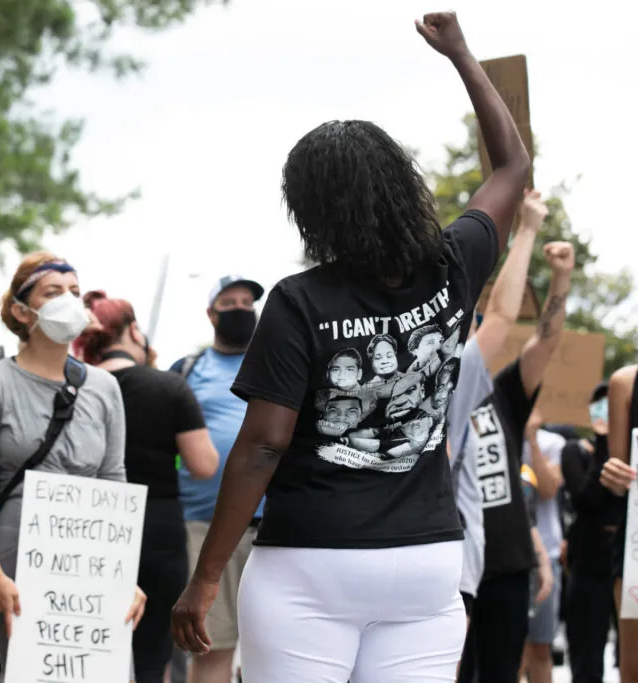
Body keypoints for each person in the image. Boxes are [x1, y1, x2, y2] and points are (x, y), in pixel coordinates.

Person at [172, 11, 532, 682]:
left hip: (311, 561)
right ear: (402, 185)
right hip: (427, 564)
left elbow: (262, 445)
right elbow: (513, 164)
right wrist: (461, 55)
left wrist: (207, 575)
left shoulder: (300, 300)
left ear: (311, 211)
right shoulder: (457, 265)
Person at [0, 252, 146, 675]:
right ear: (22, 311)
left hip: (93, 558)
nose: (69, 300)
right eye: (53, 292)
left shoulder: (104, 388)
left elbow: (113, 480)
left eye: (75, 292)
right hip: (16, 558)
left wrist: (124, 575)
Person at [75, 290, 219, 683]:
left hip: (88, 525)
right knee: (151, 654)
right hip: (157, 527)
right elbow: (204, 464)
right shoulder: (168, 387)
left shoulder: (77, 388)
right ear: (134, 330)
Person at [442, 188, 547, 679]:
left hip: (434, 561)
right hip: (439, 563)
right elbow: (503, 318)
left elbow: (502, 321)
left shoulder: (447, 374)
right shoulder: (446, 373)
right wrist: (524, 229)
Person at [168, 274, 265, 683]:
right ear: (211, 314)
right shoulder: (187, 370)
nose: (242, 309)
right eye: (230, 303)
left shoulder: (278, 361)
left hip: (274, 527)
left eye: (248, 302)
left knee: (279, 649)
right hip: (203, 528)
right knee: (211, 646)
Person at [562, 381, 621, 683]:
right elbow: (587, 498)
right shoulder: (575, 451)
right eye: (600, 405)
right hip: (589, 570)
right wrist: (603, 444)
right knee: (587, 653)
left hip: (626, 568)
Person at [520, 408, 567, 683]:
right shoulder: (497, 438)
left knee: (540, 647)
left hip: (545, 557)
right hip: (504, 556)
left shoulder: (554, 443)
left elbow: (549, 489)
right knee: (511, 649)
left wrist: (532, 440)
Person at [598, 365, 638, 683]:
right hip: (636, 548)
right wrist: (613, 474)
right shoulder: (626, 383)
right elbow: (619, 482)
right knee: (634, 667)